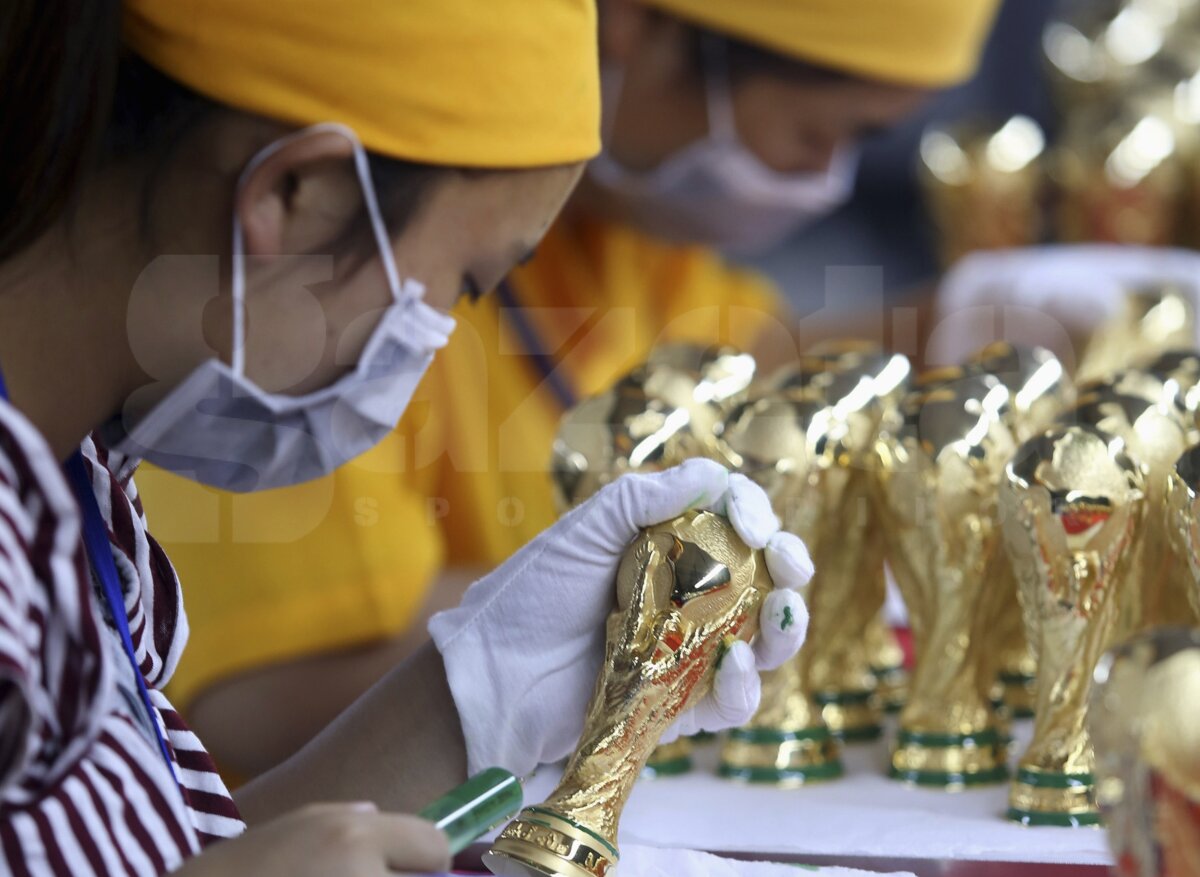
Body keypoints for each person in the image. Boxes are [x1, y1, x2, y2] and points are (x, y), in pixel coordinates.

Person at [0, 1, 812, 873]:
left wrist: (481, 685)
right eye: (466, 283)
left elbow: (170, 854)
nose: (439, 340)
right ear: (297, 195)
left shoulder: (84, 496)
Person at [137, 0, 1003, 779]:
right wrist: (582, 629)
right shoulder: (326, 289)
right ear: (638, 22)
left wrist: (967, 319)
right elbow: (253, 697)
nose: (828, 175)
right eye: (818, 133)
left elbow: (754, 378)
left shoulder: (621, 233)